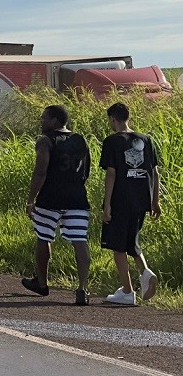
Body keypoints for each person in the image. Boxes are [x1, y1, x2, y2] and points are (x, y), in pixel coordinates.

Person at [21, 105, 92, 305]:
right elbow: (86, 170)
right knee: (80, 240)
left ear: (54, 121)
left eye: (44, 118)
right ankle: (82, 289)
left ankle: (42, 283)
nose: (41, 121)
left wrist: (30, 199)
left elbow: (40, 172)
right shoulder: (80, 140)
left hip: (50, 198)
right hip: (77, 198)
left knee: (43, 237)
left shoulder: (45, 141)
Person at [99, 102, 162, 305]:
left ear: (113, 119)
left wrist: (107, 205)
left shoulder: (112, 142)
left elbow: (111, 174)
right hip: (141, 199)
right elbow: (154, 172)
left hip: (120, 199)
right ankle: (145, 273)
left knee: (118, 247)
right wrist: (155, 201)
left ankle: (127, 291)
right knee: (132, 242)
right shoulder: (146, 140)